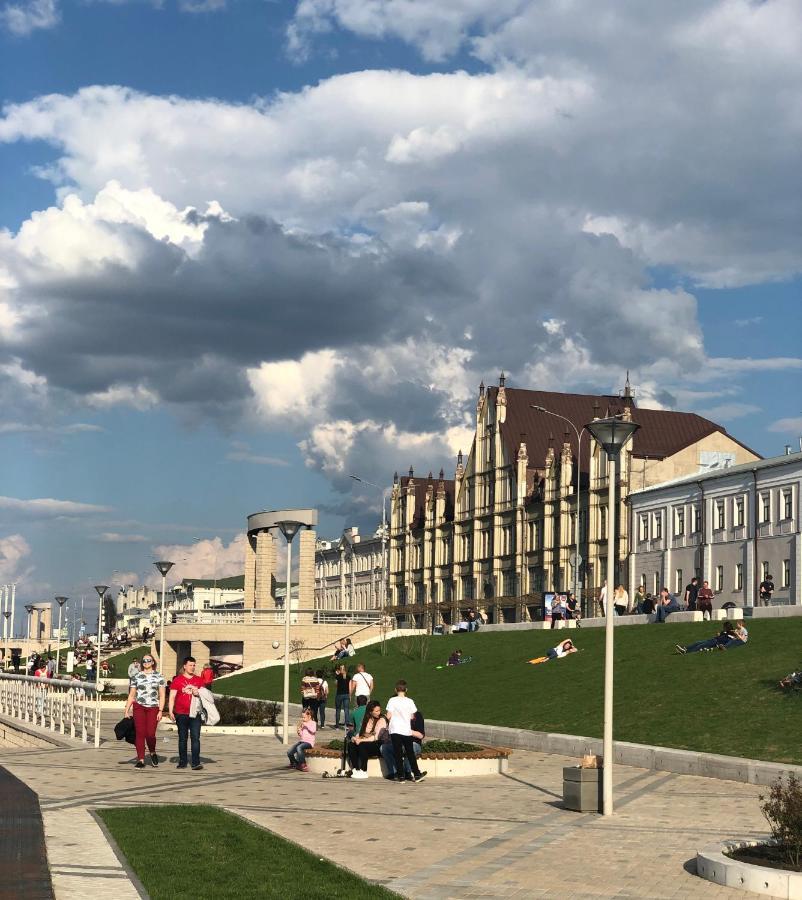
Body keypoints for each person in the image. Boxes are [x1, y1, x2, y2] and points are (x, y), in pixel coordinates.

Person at [124, 653, 166, 769]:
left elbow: (162, 695)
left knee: (150, 734)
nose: (146, 662)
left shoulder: (159, 676)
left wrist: (161, 710)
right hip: (139, 707)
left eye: (149, 660)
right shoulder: (136, 676)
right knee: (140, 733)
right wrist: (126, 710)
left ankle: (152, 751)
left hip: (153, 708)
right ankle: (141, 759)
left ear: (153, 662)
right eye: (144, 660)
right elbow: (132, 695)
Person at [168, 656, 205, 770]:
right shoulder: (177, 680)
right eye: (190, 665)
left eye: (194, 665)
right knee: (182, 739)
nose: (192, 667)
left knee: (195, 738)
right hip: (181, 713)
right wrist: (170, 711)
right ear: (184, 666)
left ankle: (195, 762)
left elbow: (205, 696)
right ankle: (182, 762)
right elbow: (172, 697)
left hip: (195, 713)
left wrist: (197, 693)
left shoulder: (199, 680)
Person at [386, 680, 426, 783]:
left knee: (397, 752)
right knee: (410, 753)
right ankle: (417, 774)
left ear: (395, 690)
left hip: (394, 730)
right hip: (406, 730)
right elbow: (413, 716)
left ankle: (401, 777)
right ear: (406, 690)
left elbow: (388, 715)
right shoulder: (410, 701)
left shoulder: (392, 700)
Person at [348, 700, 388, 779]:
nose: (378, 712)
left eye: (379, 710)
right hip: (368, 742)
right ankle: (356, 769)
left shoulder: (382, 719)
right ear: (370, 712)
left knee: (362, 745)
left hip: (379, 744)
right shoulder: (367, 719)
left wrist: (361, 740)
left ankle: (364, 770)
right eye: (376, 711)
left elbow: (375, 737)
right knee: (351, 744)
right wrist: (355, 738)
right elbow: (362, 733)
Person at [381, 708, 424, 780]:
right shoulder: (394, 717)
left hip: (414, 743)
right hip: (398, 743)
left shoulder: (417, 715)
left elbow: (421, 735)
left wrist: (405, 730)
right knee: (384, 748)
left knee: (410, 747)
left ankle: (408, 772)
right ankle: (394, 773)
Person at [676, 621, 748, 654]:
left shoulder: (731, 632)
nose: (723, 628)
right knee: (698, 642)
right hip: (714, 639)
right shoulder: (724, 632)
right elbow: (720, 636)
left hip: (716, 642)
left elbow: (733, 639)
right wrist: (719, 634)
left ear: (726, 627)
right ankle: (685, 648)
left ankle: (686, 651)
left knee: (701, 646)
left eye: (724, 627)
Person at [287, 707, 317, 772]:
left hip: (309, 743)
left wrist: (306, 725)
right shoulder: (303, 724)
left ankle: (303, 764)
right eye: (302, 717)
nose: (303, 719)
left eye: (304, 717)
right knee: (289, 752)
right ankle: (294, 763)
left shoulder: (313, 723)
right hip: (302, 741)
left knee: (299, 748)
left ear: (309, 716)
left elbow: (313, 731)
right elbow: (302, 735)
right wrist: (299, 731)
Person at [333, 663, 351, 729]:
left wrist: (337, 676)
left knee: (338, 709)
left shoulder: (338, 676)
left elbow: (335, 684)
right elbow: (350, 686)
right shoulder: (348, 676)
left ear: (341, 669)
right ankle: (346, 725)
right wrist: (350, 694)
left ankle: (337, 725)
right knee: (346, 709)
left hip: (339, 694)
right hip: (346, 694)